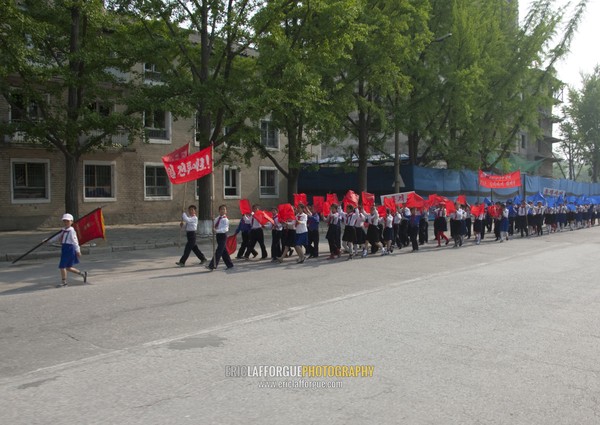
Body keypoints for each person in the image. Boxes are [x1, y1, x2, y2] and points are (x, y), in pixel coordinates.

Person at [45, 213, 87, 287]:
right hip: (64, 248)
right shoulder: (63, 230)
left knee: (62, 266)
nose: (66, 223)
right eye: (64, 221)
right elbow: (56, 237)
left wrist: (78, 251)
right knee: (68, 267)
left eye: (68, 221)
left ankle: (64, 282)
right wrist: (47, 240)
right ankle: (82, 274)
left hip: (69, 249)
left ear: (71, 222)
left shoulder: (71, 231)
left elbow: (75, 241)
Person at [207, 205, 234, 271]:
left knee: (219, 251)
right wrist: (212, 220)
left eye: (224, 209)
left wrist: (216, 231)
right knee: (223, 251)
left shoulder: (225, 219)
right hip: (218, 236)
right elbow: (214, 224)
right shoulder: (218, 218)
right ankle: (229, 264)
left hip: (223, 236)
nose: (223, 210)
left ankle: (212, 265)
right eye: (221, 209)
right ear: (219, 211)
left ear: (226, 211)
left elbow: (225, 229)